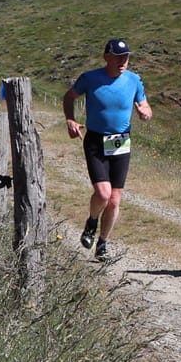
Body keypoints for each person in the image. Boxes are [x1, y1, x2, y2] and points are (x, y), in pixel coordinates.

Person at [62, 37, 152, 261]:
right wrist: (70, 120)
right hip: (95, 141)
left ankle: (102, 243)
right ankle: (92, 221)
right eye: (118, 57)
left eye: (126, 57)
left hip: (121, 142)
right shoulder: (91, 78)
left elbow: (144, 103)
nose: (123, 61)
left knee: (114, 200)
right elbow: (69, 96)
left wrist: (145, 112)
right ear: (107, 57)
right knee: (102, 194)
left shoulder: (134, 80)